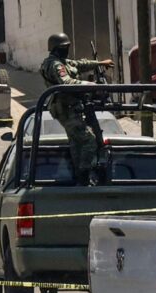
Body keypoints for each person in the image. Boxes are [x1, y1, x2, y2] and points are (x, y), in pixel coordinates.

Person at [40, 32, 114, 185]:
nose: (67, 50)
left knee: (76, 142)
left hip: (70, 106)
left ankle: (80, 177)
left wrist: (99, 63)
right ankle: (84, 173)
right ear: (57, 49)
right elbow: (67, 82)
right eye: (65, 47)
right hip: (65, 108)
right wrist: (91, 85)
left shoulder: (61, 61)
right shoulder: (56, 65)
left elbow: (79, 64)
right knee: (90, 141)